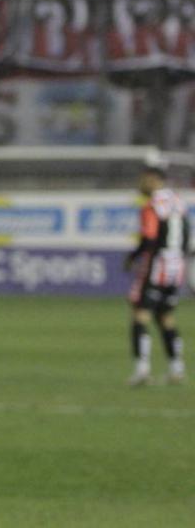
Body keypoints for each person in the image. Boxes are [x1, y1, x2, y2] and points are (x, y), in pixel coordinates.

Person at [124, 162, 188, 386]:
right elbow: (187, 235)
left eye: (143, 178)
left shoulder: (152, 206)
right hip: (176, 266)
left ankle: (142, 369)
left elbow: (149, 237)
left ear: (153, 179)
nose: (140, 183)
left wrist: (133, 257)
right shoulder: (178, 202)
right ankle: (177, 368)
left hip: (156, 265)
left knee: (141, 313)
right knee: (166, 317)